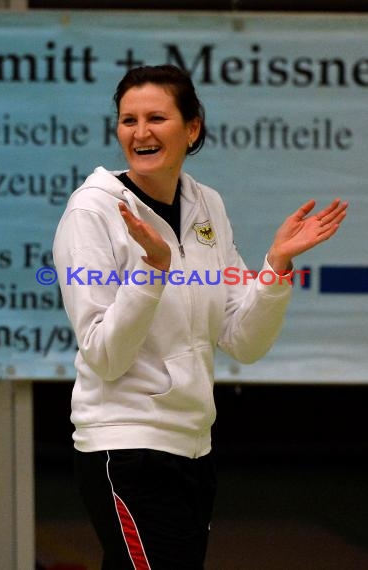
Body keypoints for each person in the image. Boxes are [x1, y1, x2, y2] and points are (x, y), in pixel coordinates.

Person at [53, 64, 347, 570]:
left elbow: (242, 340)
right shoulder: (91, 211)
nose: (140, 132)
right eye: (128, 120)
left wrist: (275, 268)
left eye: (156, 118)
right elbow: (102, 354)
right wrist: (153, 272)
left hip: (193, 450)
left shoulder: (207, 204)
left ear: (192, 128)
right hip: (125, 449)